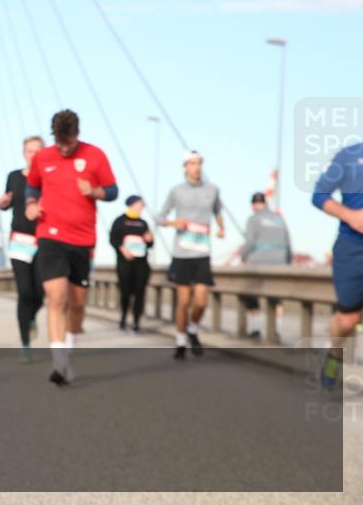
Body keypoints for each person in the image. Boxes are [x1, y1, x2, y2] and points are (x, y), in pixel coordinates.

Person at [25, 110, 118, 386]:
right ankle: (58, 360)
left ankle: (68, 346)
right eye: (60, 143)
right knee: (57, 298)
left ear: (77, 134)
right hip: (50, 235)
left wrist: (95, 191)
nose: (64, 148)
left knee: (77, 303)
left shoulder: (95, 155)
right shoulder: (43, 158)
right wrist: (31, 205)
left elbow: (113, 190)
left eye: (69, 142)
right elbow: (32, 187)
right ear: (54, 138)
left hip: (83, 239)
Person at [158, 151, 224, 360]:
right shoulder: (176, 191)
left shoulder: (212, 190)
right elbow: (160, 217)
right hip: (181, 252)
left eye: (199, 163)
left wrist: (222, 228)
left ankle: (193, 328)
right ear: (185, 166)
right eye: (192, 163)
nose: (196, 167)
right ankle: (180, 341)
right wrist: (172, 223)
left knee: (202, 301)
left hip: (202, 251)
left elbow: (218, 212)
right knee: (183, 302)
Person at [312, 141, 363, 390]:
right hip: (352, 248)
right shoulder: (349, 155)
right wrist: (351, 216)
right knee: (348, 319)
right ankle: (334, 353)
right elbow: (319, 195)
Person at [0, 135, 44, 359]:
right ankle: (25, 343)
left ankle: (32, 317)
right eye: (30, 151)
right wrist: (3, 203)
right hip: (20, 240)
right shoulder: (14, 177)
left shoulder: (49, 178)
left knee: (41, 293)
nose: (33, 155)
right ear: (24, 153)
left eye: (38, 150)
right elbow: (7, 203)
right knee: (25, 291)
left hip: (44, 242)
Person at [240, 191, 292, 340]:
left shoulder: (253, 219)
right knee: (277, 297)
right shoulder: (279, 219)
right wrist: (287, 263)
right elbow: (288, 243)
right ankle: (277, 329)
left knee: (251, 292)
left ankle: (256, 328)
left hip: (260, 262)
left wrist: (243, 257)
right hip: (280, 262)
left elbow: (249, 242)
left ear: (253, 205)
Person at [109, 195, 154, 332]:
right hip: (125, 263)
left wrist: (150, 239)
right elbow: (113, 239)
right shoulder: (120, 221)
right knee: (126, 292)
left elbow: (150, 244)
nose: (142, 206)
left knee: (140, 292)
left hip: (141, 263)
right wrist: (122, 249)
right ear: (132, 204)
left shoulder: (143, 223)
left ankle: (136, 322)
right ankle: (123, 317)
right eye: (140, 203)